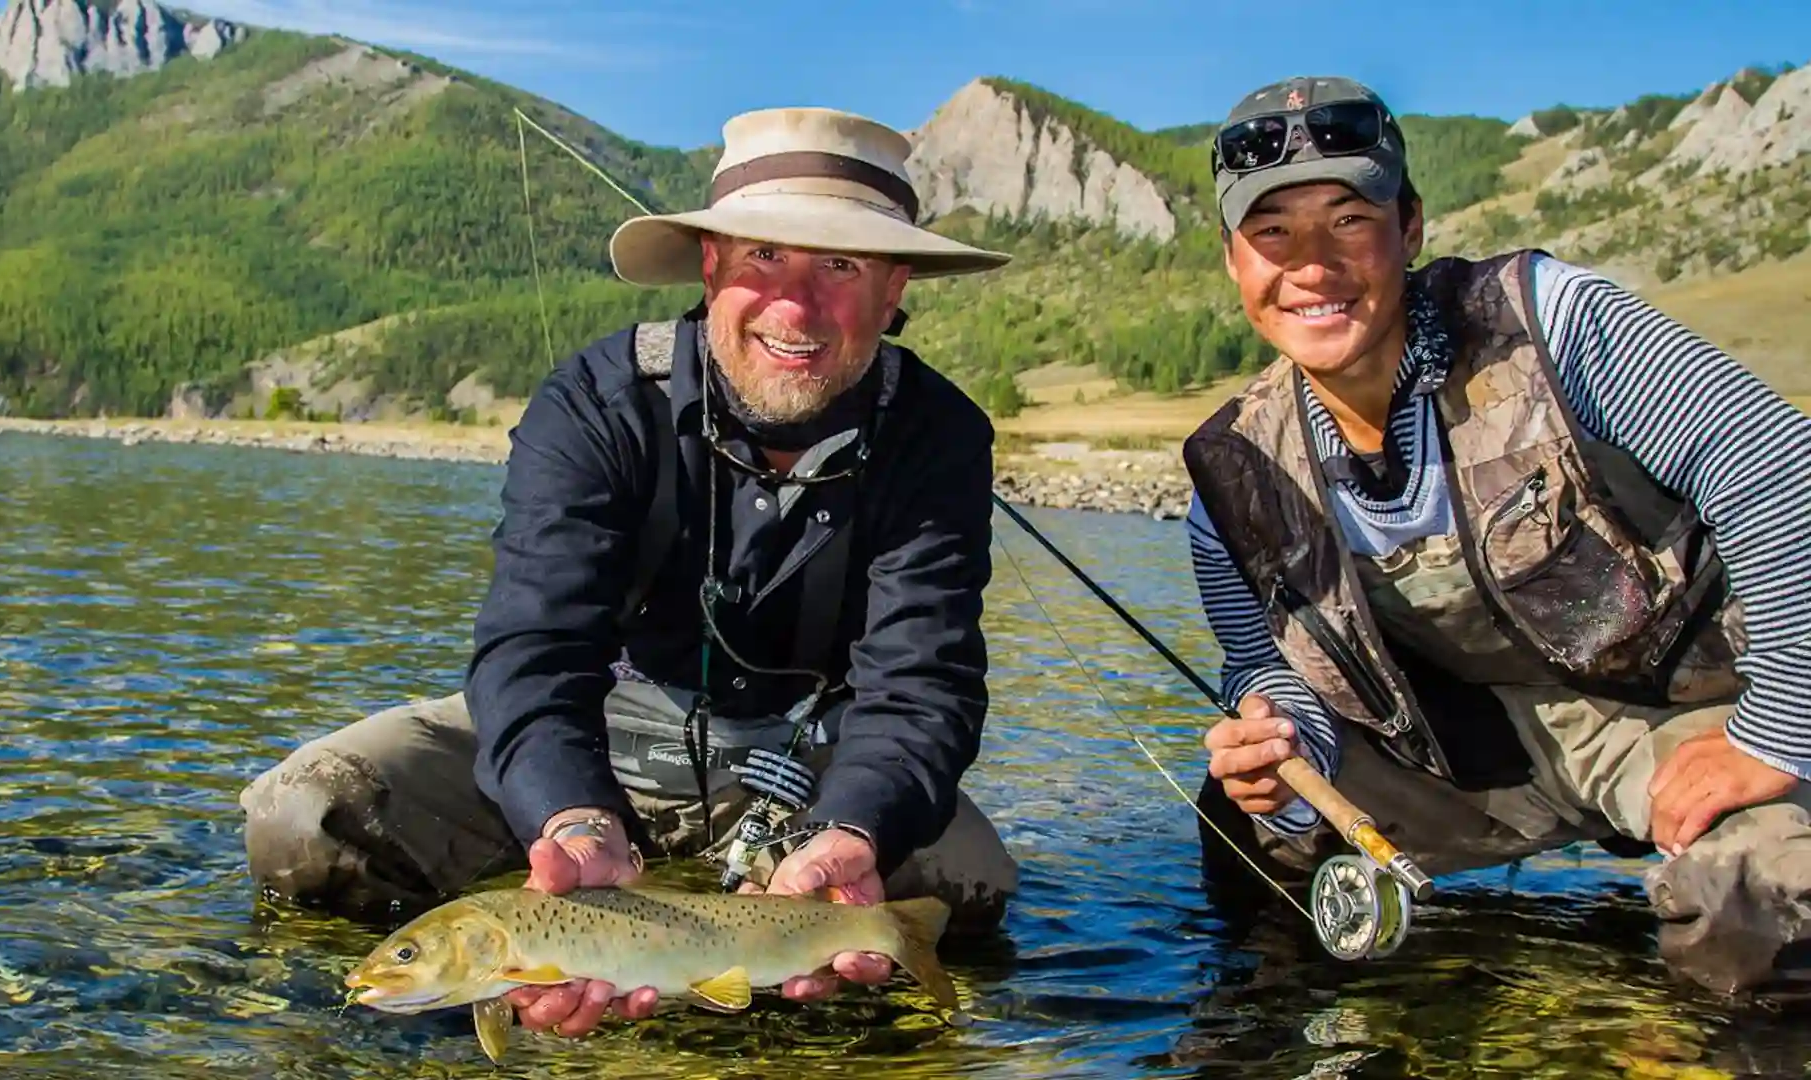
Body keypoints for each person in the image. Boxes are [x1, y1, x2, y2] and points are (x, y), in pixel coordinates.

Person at [240, 106, 1022, 1034]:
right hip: (595, 736)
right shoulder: (596, 405)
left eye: (841, 267)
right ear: (710, 265)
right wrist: (568, 817)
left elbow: (922, 685)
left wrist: (849, 832)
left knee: (969, 889)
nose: (796, 307)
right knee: (305, 815)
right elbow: (532, 650)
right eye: (764, 258)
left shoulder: (940, 435)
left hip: (806, 762)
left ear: (896, 289)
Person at [1181, 75, 1811, 995]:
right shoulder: (1229, 475)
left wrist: (1779, 732)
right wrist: (1281, 744)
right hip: (1472, 759)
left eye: (1350, 219)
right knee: (1255, 823)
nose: (1311, 265)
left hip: (1686, 717)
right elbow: (1267, 669)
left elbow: (1780, 471)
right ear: (1234, 260)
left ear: (1413, 227)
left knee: (1764, 900)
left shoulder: (1551, 322)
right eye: (1271, 232)